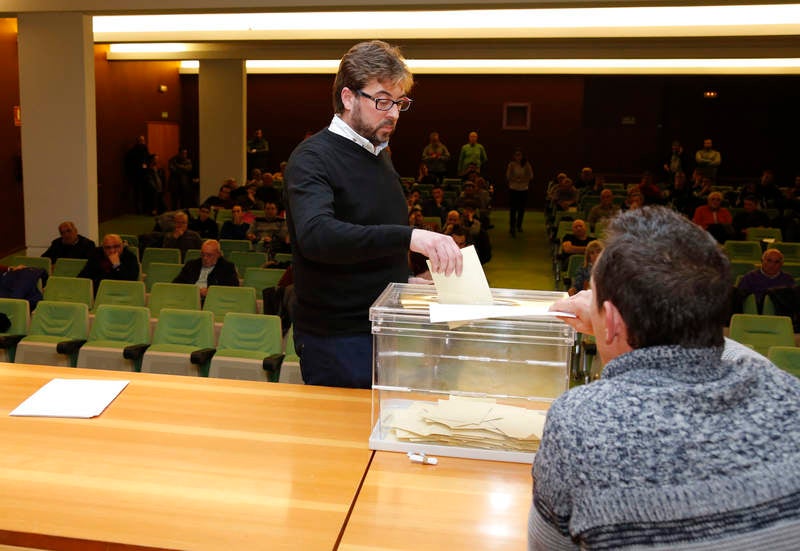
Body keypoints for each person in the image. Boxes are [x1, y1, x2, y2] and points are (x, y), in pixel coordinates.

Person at [531, 206, 800, 550]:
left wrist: (608, 324)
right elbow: (737, 360)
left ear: (612, 320)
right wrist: (609, 318)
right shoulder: (788, 397)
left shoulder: (580, 420)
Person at [284, 40, 462, 389]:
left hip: (381, 326)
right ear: (348, 97)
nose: (393, 113)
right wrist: (411, 237)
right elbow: (318, 237)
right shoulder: (312, 158)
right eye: (382, 101)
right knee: (343, 441)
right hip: (336, 337)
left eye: (400, 103)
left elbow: (367, 236)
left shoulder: (379, 153)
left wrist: (403, 281)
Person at [172, 239, 239, 300]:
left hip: (212, 301)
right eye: (202, 254)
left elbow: (232, 290)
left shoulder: (227, 268)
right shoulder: (191, 265)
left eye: (209, 255)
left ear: (218, 254)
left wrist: (210, 292)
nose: (205, 258)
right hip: (189, 298)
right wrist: (193, 291)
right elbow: (176, 284)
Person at [505, 147, 533, 237]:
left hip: (524, 189)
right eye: (516, 155)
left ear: (522, 156)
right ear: (514, 157)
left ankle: (519, 225)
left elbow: (531, 175)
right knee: (513, 209)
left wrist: (523, 180)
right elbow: (508, 176)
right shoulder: (511, 165)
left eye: (519, 155)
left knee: (521, 208)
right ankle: (512, 227)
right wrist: (515, 179)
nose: (518, 157)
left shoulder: (527, 164)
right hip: (513, 188)